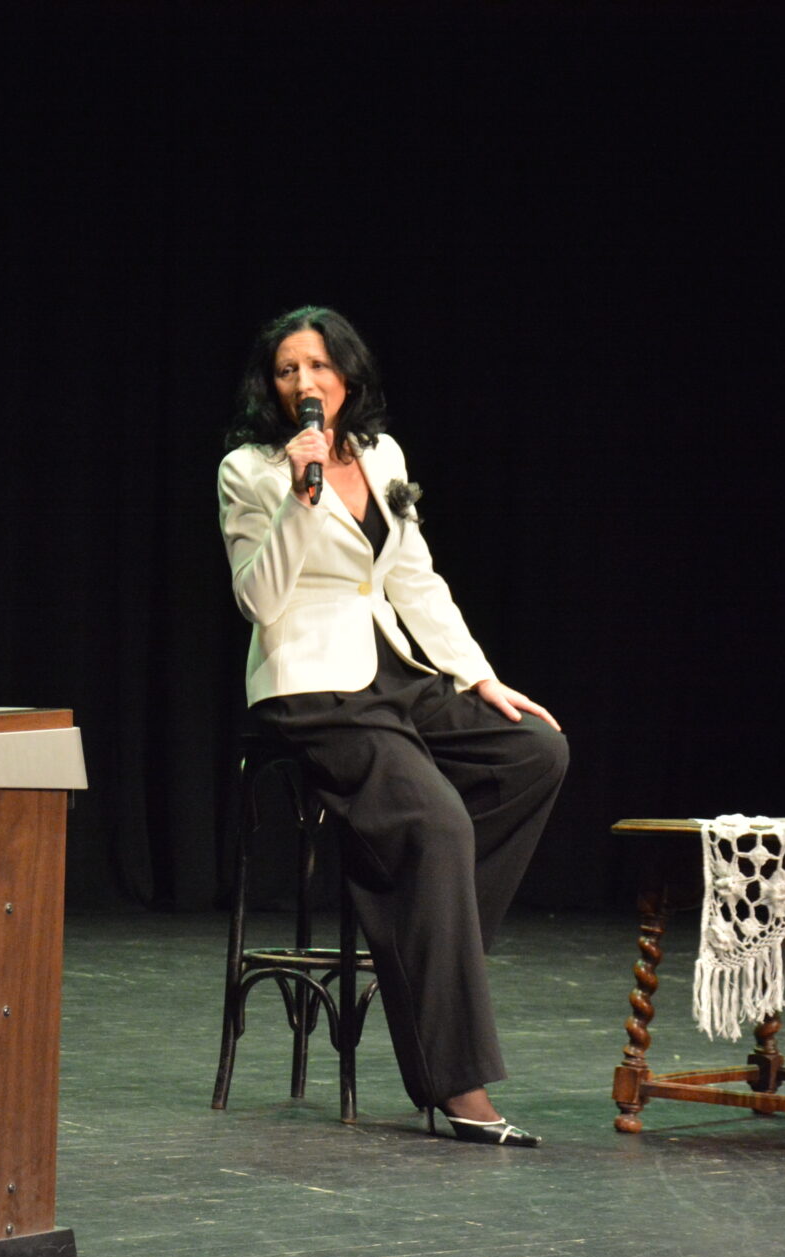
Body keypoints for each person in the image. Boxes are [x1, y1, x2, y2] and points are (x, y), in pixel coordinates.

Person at [216, 305, 568, 1145]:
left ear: (347, 374)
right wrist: (300, 496)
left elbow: (414, 578)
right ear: (272, 386)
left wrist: (478, 675)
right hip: (312, 684)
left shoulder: (381, 455)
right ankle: (458, 1087)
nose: (304, 382)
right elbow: (259, 600)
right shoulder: (249, 470)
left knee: (535, 751)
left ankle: (422, 946)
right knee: (439, 824)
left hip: (393, 667)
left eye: (318, 366)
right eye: (287, 370)